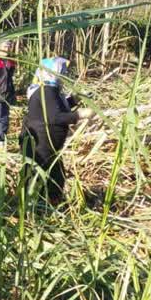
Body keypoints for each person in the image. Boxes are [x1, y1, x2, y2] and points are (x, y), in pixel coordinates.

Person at [19, 57, 93, 206]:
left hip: (50, 145)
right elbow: (55, 116)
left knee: (56, 176)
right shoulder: (46, 90)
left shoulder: (51, 90)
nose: (64, 75)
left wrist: (75, 99)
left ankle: (53, 202)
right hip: (41, 144)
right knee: (40, 176)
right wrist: (80, 114)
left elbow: (57, 106)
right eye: (62, 71)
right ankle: (36, 207)